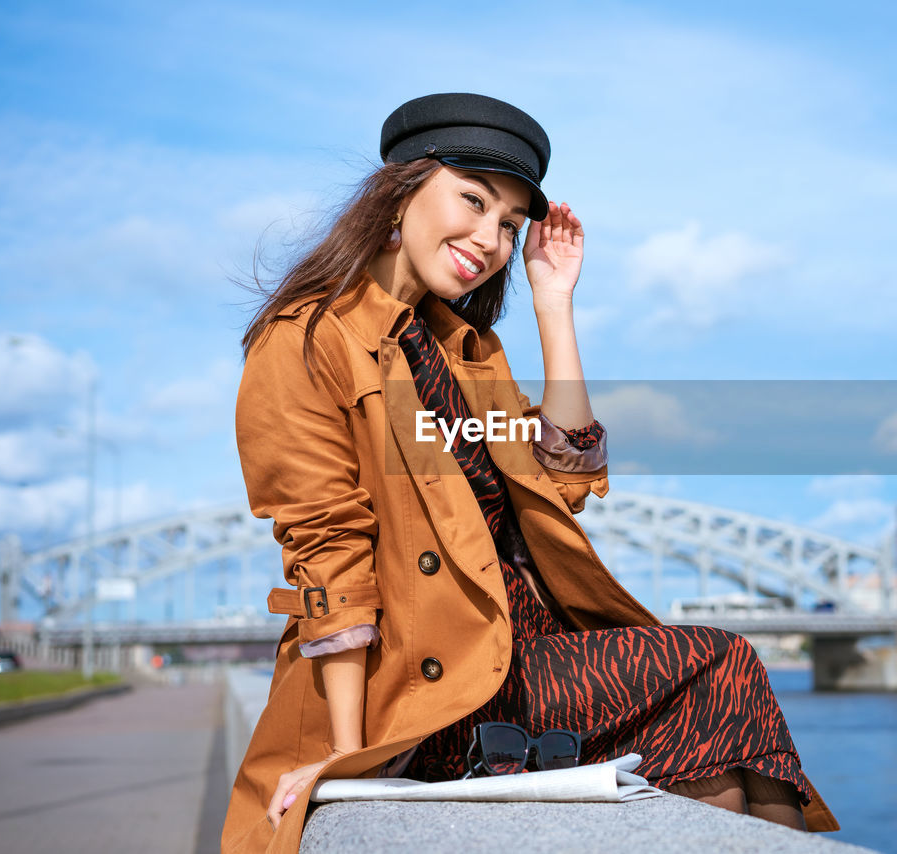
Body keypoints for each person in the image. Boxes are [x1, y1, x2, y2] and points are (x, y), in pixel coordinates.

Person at [221, 93, 839, 854]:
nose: (490, 239)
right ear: (400, 190)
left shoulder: (465, 351)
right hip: (429, 683)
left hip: (521, 652)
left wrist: (553, 304)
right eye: (473, 200)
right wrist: (350, 762)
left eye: (509, 224)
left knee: (722, 704)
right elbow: (330, 554)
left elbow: (567, 479)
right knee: (721, 666)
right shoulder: (310, 337)